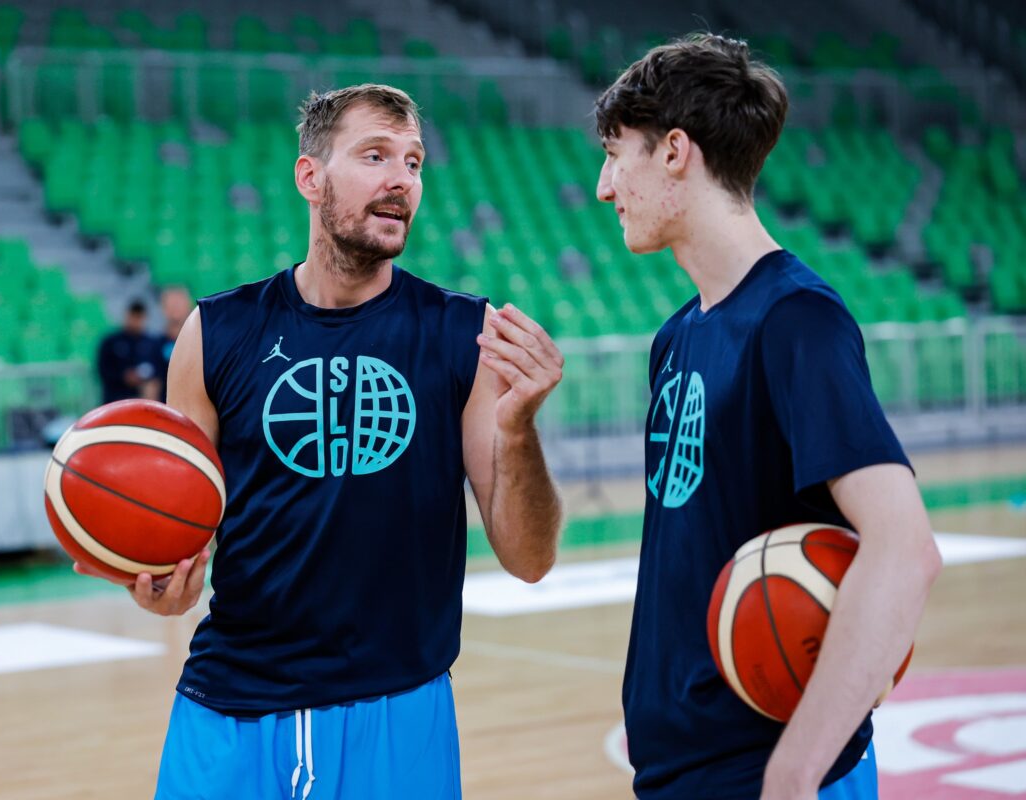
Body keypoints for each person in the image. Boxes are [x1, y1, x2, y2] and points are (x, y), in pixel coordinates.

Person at [75, 84, 565, 799]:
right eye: (375, 155)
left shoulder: (464, 333)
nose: (402, 179)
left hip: (398, 709)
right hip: (230, 707)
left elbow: (529, 558)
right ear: (310, 176)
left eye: (414, 161)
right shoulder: (216, 333)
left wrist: (519, 430)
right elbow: (183, 546)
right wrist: (160, 587)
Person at [592, 34, 942, 800]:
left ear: (675, 151)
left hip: (767, 774)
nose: (603, 186)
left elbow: (905, 549)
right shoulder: (676, 337)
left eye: (615, 156)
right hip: (679, 770)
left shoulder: (796, 320)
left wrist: (795, 771)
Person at [96, 299, 164, 403]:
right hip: (116, 399)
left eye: (139, 317)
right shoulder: (111, 342)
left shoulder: (153, 344)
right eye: (133, 316)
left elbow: (159, 372)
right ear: (126, 315)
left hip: (144, 400)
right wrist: (124, 377)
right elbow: (103, 370)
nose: (136, 321)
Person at [155, 285, 193, 396]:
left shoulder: (203, 342)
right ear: (163, 308)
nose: (175, 308)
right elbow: (152, 384)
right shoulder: (154, 345)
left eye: (179, 303)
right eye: (171, 304)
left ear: (189, 305)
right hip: (166, 405)